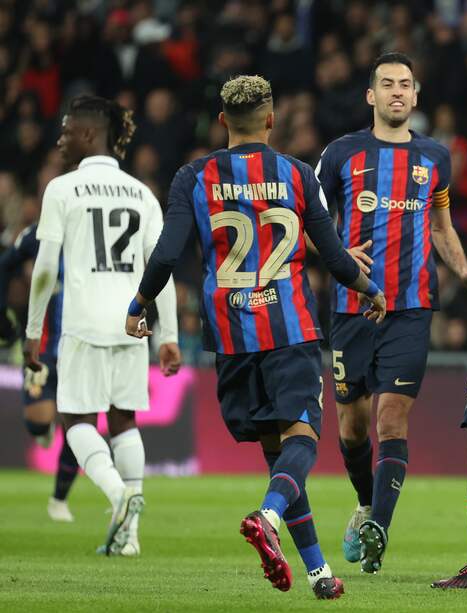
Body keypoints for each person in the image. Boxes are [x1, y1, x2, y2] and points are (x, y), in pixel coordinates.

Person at [126, 75, 385, 600]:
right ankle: (267, 517)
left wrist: (141, 303)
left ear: (222, 121)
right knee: (303, 439)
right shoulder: (293, 173)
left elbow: (169, 253)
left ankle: (317, 572)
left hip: (230, 336)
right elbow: (334, 256)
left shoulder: (193, 177)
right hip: (288, 330)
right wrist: (370, 289)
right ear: (271, 120)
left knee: (277, 451)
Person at [315, 52, 467, 574]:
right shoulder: (342, 153)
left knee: (392, 419)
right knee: (352, 427)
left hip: (412, 308)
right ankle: (368, 504)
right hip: (352, 305)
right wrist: (339, 258)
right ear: (371, 96)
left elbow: (441, 226)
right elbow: (308, 220)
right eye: (387, 84)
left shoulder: (434, 157)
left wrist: (463, 271)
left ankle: (377, 531)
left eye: (405, 85)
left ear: (416, 97)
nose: (396, 92)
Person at [25, 95, 181, 556]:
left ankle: (120, 498)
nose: (61, 138)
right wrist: (168, 335)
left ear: (90, 135)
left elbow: (45, 268)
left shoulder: (62, 188)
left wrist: (34, 329)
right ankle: (129, 540)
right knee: (124, 421)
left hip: (85, 323)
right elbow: (162, 267)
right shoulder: (142, 194)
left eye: (68, 129)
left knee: (74, 418)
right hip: (134, 322)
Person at [0, 224, 79, 522]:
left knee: (78, 429)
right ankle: (45, 426)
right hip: (42, 350)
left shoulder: (96, 229)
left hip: (82, 349)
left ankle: (59, 499)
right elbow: (5, 265)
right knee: (38, 424)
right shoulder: (36, 235)